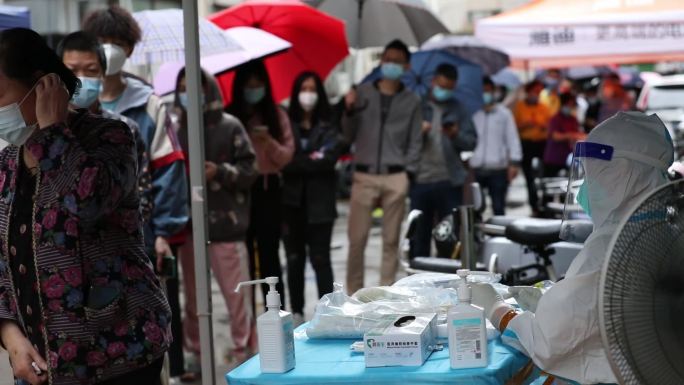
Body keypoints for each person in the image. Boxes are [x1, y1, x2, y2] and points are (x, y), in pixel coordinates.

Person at [0, 28, 171, 385]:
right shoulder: (6, 164)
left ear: (42, 85)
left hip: (121, 356)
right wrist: (11, 337)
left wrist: (51, 131)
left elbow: (86, 200)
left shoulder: (111, 137)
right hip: (41, 364)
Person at [472, 111, 673, 384]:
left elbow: (550, 342)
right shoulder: (662, 227)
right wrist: (553, 299)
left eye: (595, 175)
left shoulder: (614, 245)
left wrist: (498, 310)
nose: (584, 190)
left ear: (624, 175)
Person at [82, 5, 189, 284]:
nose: (110, 50)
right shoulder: (74, 103)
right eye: (103, 43)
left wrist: (165, 232)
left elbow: (169, 168)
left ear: (129, 50)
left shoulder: (149, 103)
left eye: (118, 44)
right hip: (87, 234)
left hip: (143, 232)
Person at [174, 69, 259, 373]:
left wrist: (220, 171)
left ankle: (245, 352)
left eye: (194, 87)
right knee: (194, 300)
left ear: (207, 89)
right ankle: (196, 355)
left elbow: (251, 171)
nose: (188, 93)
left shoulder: (230, 126)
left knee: (238, 297)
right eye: (182, 88)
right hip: (188, 228)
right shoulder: (174, 129)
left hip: (227, 227)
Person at [342, 39, 422, 293]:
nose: (391, 65)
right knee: (357, 240)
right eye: (388, 59)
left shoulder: (412, 101)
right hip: (364, 174)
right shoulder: (363, 93)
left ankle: (386, 294)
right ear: (381, 61)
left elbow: (415, 140)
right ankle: (354, 296)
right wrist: (349, 109)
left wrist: (407, 171)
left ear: (406, 66)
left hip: (395, 175)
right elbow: (347, 135)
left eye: (397, 61)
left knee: (390, 241)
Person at [57, 31, 153, 228]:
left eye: (91, 70)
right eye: (71, 70)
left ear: (103, 73)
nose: (80, 79)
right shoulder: (46, 131)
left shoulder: (123, 129)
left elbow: (141, 192)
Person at [226, 60, 294, 309]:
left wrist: (268, 142)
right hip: (240, 192)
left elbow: (286, 156)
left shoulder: (277, 115)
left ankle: (275, 312)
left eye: (258, 84)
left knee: (270, 255)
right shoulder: (230, 117)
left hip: (269, 189)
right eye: (249, 85)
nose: (254, 89)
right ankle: (246, 317)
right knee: (241, 259)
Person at [282, 72, 342, 325]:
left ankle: (328, 312)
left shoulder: (329, 124)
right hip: (291, 203)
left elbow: (330, 158)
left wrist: (300, 161)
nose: (308, 93)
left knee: (321, 259)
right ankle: (297, 311)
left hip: (321, 205)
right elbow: (285, 161)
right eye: (303, 88)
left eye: (312, 88)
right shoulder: (286, 123)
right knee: (294, 260)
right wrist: (311, 160)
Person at [410, 63, 476, 258]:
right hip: (420, 181)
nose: (443, 91)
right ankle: (418, 278)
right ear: (433, 82)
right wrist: (418, 132)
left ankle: (448, 278)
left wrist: (455, 135)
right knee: (419, 236)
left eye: (448, 88)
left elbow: (471, 142)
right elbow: (403, 141)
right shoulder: (417, 106)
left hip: (449, 181)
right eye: (441, 86)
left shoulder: (459, 109)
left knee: (449, 236)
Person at [470, 76, 522, 216]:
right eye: (482, 91)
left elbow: (512, 139)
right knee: (475, 207)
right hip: (475, 168)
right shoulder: (472, 113)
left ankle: (498, 235)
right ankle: (477, 236)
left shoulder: (504, 114)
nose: (485, 94)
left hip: (498, 168)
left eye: (488, 91)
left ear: (493, 92)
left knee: (498, 207)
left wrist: (514, 163)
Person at [513, 80, 551, 216]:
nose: (537, 94)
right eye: (535, 91)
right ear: (528, 92)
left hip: (541, 143)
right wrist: (525, 124)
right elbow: (515, 126)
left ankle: (546, 202)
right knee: (529, 176)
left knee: (543, 174)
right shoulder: (520, 106)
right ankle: (534, 204)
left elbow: (549, 126)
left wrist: (541, 125)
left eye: (539, 92)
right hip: (526, 143)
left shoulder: (543, 107)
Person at [543, 93, 586, 177]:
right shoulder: (555, 119)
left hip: (568, 157)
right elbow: (555, 136)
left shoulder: (573, 119)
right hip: (554, 158)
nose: (570, 107)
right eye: (569, 104)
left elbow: (578, 134)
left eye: (572, 105)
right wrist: (571, 135)